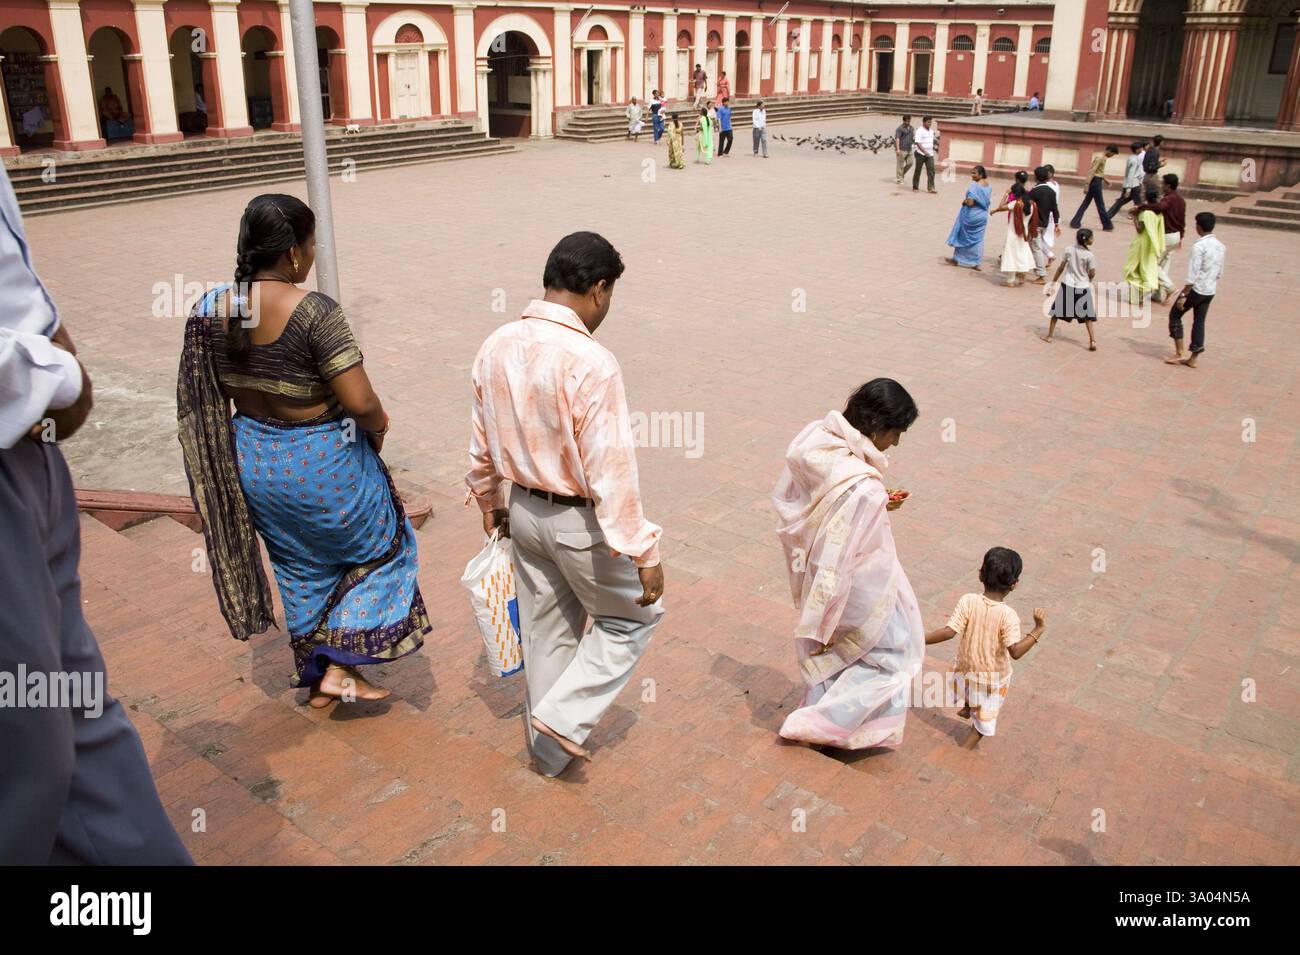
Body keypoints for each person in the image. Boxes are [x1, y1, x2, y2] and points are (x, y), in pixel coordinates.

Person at [0, 164, 192, 864]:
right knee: (30, 766)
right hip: (20, 417)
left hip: (33, 455)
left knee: (83, 734)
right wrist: (54, 374)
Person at [177, 194, 429, 704]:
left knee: (299, 564)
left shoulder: (208, 311)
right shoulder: (314, 312)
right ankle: (338, 666)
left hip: (252, 462)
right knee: (386, 549)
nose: (312, 257)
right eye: (311, 246)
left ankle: (320, 679)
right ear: (293, 253)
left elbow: (204, 401)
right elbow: (360, 400)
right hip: (322, 462)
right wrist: (378, 427)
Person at [466, 232, 665, 776]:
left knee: (547, 630)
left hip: (524, 513)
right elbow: (612, 470)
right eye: (611, 294)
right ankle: (562, 719)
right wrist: (643, 550)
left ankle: (548, 749)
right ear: (599, 289)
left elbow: (481, 440)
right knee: (632, 621)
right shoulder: (593, 361)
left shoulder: (496, 344)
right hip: (580, 522)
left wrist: (488, 498)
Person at [773, 379, 924, 751]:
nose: (896, 443)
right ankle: (821, 723)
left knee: (841, 651)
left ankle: (830, 717)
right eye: (896, 432)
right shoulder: (861, 487)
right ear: (876, 427)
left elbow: (814, 502)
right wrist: (827, 610)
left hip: (817, 572)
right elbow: (841, 553)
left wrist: (875, 503)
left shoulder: (815, 440)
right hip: (859, 586)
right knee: (894, 655)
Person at [925, 548, 1046, 750]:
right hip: (991, 680)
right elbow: (1015, 652)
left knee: (968, 686)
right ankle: (964, 750)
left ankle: (968, 705)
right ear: (1014, 584)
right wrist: (1038, 629)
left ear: (980, 574)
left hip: (965, 668)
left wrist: (919, 639)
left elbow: (948, 632)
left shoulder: (968, 601)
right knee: (983, 723)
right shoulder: (1008, 616)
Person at [1165, 212, 1225, 368]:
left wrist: (1184, 294)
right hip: (1210, 290)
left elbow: (1193, 273)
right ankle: (1193, 357)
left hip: (1196, 289)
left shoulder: (1199, 246)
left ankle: (1179, 352)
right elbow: (1220, 272)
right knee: (1199, 322)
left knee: (1175, 315)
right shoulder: (1221, 246)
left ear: (1199, 226)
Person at [1042, 228, 1099, 350]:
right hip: (1082, 286)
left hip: (1067, 284)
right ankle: (1092, 341)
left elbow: (1061, 268)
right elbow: (1092, 272)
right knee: (1088, 316)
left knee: (1056, 313)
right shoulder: (1089, 255)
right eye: (1092, 238)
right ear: (1087, 240)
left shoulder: (1069, 250)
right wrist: (1089, 279)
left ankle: (1050, 336)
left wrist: (1053, 283)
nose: (1093, 239)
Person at [1122, 185, 1165, 306]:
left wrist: (1135, 217)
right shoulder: (1158, 213)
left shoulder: (1145, 213)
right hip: (1151, 245)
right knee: (1146, 268)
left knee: (1133, 269)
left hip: (1141, 244)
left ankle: (1136, 296)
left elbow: (1140, 229)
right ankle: (1140, 295)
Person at [991, 176, 1037, 287]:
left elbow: (1001, 206)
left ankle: (1010, 280)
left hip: (1013, 232)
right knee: (1022, 253)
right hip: (1024, 232)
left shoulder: (1015, 203)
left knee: (1011, 254)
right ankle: (1021, 275)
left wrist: (1006, 194)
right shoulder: (1031, 204)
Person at [1148, 173, 1186, 303]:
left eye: (1162, 183)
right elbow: (1182, 221)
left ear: (1168, 186)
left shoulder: (1169, 199)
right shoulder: (1181, 200)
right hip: (1175, 236)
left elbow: (1160, 207)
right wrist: (1181, 237)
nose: (1161, 186)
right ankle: (1158, 294)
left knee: (1151, 263)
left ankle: (1169, 287)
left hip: (1167, 236)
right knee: (1164, 264)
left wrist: (1142, 207)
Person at [945, 164, 992, 269]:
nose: (972, 175)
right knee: (978, 240)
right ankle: (976, 262)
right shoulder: (988, 186)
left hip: (971, 215)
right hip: (982, 216)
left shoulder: (974, 186)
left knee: (961, 236)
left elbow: (970, 203)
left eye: (974, 173)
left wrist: (965, 201)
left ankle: (956, 259)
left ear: (981, 174)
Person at [1069, 144, 1118, 232]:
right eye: (1112, 154)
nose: (1112, 156)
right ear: (1109, 151)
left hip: (1096, 180)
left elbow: (1099, 171)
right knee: (1100, 204)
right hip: (1095, 182)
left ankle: (1075, 222)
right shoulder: (1100, 158)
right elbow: (1092, 171)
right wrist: (1086, 185)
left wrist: (1105, 180)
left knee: (1086, 203)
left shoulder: (1103, 158)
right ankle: (1107, 225)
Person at [1028, 165, 1061, 283]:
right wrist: (1057, 223)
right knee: (1033, 245)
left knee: (1036, 248)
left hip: (1035, 224)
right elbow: (1055, 209)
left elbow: (1028, 208)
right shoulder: (1051, 191)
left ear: (1036, 177)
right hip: (1045, 223)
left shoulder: (1035, 191)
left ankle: (1041, 274)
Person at [1106, 141, 1145, 221]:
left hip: (1132, 184)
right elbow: (1131, 174)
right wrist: (1128, 189)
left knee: (1121, 201)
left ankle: (1107, 215)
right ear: (1137, 150)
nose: (1142, 149)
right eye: (1141, 148)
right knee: (1139, 203)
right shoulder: (1134, 160)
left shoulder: (1132, 158)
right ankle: (1142, 219)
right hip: (1133, 185)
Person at [912, 116, 937, 193]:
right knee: (918, 170)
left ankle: (931, 187)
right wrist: (924, 151)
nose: (930, 124)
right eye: (928, 122)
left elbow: (931, 142)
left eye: (931, 122)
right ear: (924, 122)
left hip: (930, 155)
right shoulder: (920, 130)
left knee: (931, 170)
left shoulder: (931, 131)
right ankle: (915, 187)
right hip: (920, 154)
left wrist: (933, 149)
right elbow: (918, 142)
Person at [894, 114, 915, 185]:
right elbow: (897, 139)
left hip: (909, 149)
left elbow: (913, 137)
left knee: (910, 163)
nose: (908, 122)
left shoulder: (911, 128)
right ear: (904, 121)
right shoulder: (899, 129)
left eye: (909, 121)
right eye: (907, 121)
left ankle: (901, 174)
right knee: (900, 165)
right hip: (902, 149)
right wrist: (897, 149)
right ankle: (899, 179)